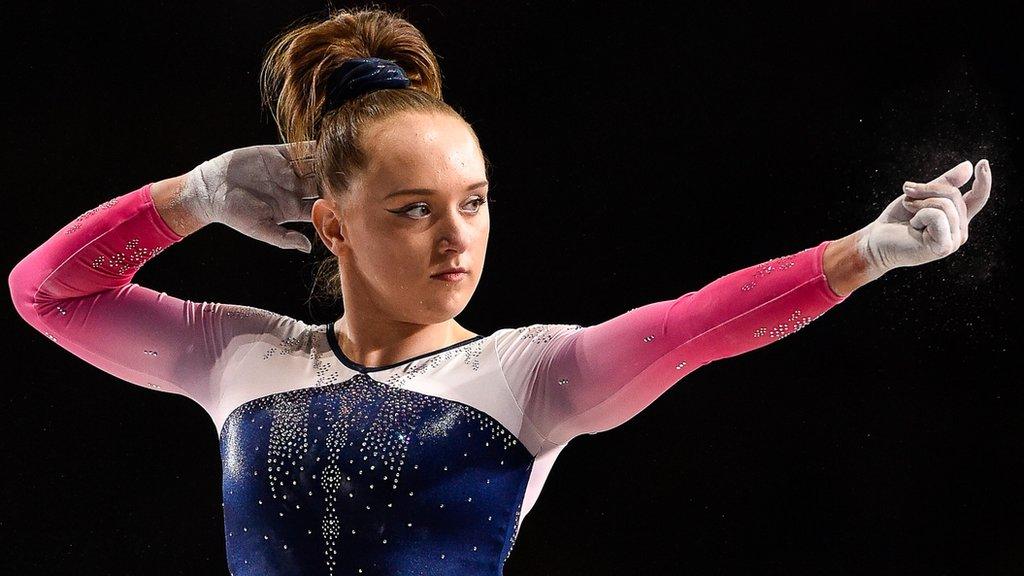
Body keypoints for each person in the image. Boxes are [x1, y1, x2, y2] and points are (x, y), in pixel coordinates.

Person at [7, 7, 992, 576]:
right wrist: (196, 195)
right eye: (410, 209)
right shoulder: (238, 354)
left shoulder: (528, 373)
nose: (455, 237)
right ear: (334, 227)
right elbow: (47, 295)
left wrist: (864, 251)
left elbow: (696, 328)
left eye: (468, 202)